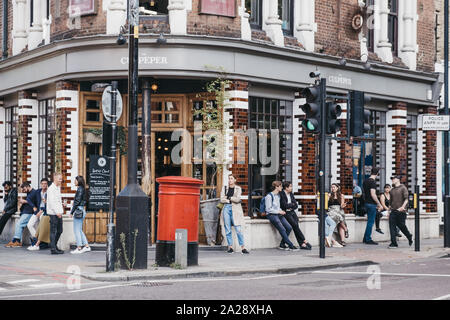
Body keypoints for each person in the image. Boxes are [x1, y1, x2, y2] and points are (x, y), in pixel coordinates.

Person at [219, 174, 250, 254]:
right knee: (228, 229)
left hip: (235, 210)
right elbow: (221, 199)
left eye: (231, 179)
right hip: (226, 208)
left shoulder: (238, 188)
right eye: (229, 178)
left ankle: (243, 247)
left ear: (235, 180)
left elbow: (238, 199)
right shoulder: (225, 188)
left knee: (238, 229)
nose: (230, 180)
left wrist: (229, 198)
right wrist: (229, 200)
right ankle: (230, 247)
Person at [265, 181, 298, 251]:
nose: (282, 188)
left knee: (289, 227)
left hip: (278, 214)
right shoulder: (269, 196)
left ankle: (282, 244)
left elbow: (278, 207)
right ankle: (290, 245)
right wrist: (278, 211)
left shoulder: (278, 196)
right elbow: (268, 209)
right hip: (271, 215)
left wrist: (281, 211)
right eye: (280, 186)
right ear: (276, 187)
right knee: (282, 229)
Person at [279, 182, 312, 250]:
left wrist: (290, 205)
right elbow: (284, 205)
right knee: (295, 225)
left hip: (292, 212)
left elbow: (296, 205)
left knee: (296, 226)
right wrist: (291, 205)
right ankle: (303, 241)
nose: (291, 188)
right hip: (286, 213)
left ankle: (283, 243)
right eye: (290, 186)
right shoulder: (282, 194)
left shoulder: (291, 194)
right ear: (286, 188)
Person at [5, 182, 37, 248]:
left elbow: (35, 203)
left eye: (24, 189)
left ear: (27, 186)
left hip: (29, 212)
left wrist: (25, 201)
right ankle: (15, 241)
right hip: (25, 212)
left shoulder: (34, 192)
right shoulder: (29, 193)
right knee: (20, 225)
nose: (23, 190)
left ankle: (17, 241)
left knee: (19, 224)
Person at [388, 176, 413, 249]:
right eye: (392, 179)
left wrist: (403, 207)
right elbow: (391, 201)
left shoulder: (403, 188)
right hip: (393, 211)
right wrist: (389, 210)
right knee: (392, 227)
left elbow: (406, 199)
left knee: (402, 226)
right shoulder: (392, 190)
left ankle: (409, 236)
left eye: (394, 179)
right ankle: (394, 243)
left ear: (398, 180)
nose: (392, 180)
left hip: (401, 211)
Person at [70, 176, 91, 254]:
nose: (74, 181)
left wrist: (71, 212)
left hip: (78, 210)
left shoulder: (80, 189)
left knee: (76, 230)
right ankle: (86, 246)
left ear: (78, 181)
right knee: (79, 230)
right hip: (81, 210)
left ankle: (79, 248)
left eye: (75, 180)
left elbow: (77, 202)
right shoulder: (82, 189)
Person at [362, 168, 383, 245]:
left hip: (366, 203)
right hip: (371, 204)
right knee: (370, 222)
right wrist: (379, 204)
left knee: (369, 222)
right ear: (377, 173)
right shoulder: (373, 182)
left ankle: (365, 238)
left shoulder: (365, 181)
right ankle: (368, 239)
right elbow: (373, 194)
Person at [27, 178, 49, 251]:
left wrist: (42, 210)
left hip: (45, 212)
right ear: (40, 184)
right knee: (29, 224)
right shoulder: (37, 191)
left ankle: (37, 243)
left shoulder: (49, 192)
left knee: (41, 226)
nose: (44, 185)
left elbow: (50, 205)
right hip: (37, 211)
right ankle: (36, 240)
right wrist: (34, 207)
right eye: (42, 183)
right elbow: (28, 199)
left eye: (45, 184)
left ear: (47, 184)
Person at [47, 173, 64, 254]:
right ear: (55, 178)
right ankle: (53, 249)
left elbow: (58, 201)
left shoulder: (58, 187)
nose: (61, 180)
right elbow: (51, 202)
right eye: (59, 179)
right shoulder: (51, 189)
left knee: (60, 230)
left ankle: (54, 245)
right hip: (53, 213)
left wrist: (61, 211)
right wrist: (57, 212)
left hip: (59, 212)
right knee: (53, 231)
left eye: (61, 179)